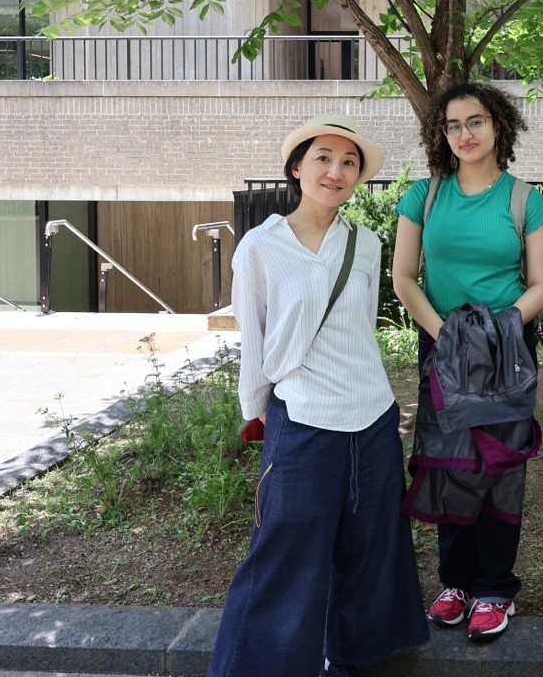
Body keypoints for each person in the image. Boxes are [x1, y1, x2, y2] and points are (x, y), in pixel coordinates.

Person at [208, 114, 428, 677]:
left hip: (372, 417)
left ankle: (358, 655)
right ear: (297, 168)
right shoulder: (260, 247)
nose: (336, 171)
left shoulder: (367, 243)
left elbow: (359, 332)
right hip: (301, 418)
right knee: (286, 553)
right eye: (324, 158)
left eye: (349, 162)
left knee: (371, 545)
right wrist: (253, 411)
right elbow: (252, 336)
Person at [392, 82, 543, 640]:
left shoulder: (524, 199)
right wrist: (449, 336)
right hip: (442, 348)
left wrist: (492, 332)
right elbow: (404, 278)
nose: (465, 134)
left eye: (476, 122)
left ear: (499, 127)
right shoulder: (424, 195)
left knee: (500, 467)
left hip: (507, 352)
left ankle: (494, 589)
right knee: (447, 461)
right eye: (453, 125)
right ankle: (456, 583)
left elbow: (542, 286)